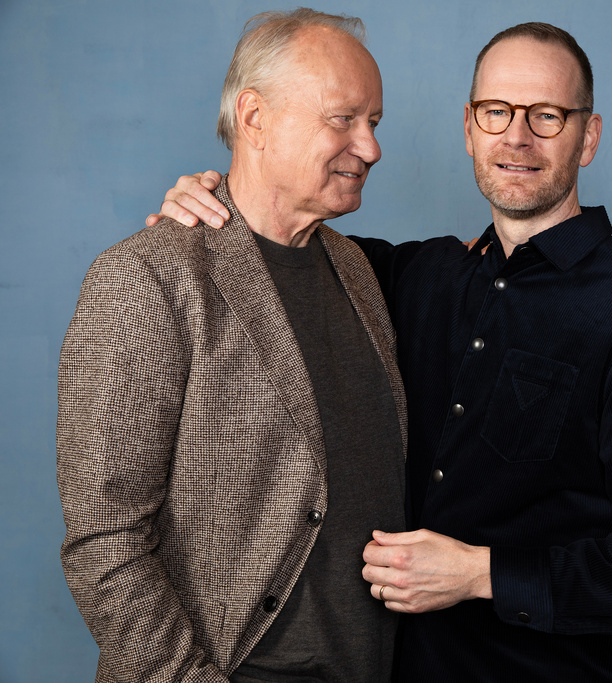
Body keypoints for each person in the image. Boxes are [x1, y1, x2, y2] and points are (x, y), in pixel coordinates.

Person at [148, 22, 612, 683]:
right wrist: (212, 200)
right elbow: (284, 235)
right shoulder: (411, 277)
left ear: (588, 136)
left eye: (547, 115)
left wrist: (483, 574)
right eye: (496, 112)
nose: (517, 136)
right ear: (469, 126)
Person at [56, 10, 406, 682]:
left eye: (376, 123)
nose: (371, 147)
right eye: (345, 118)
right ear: (254, 118)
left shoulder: (360, 270)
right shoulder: (148, 276)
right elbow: (105, 541)